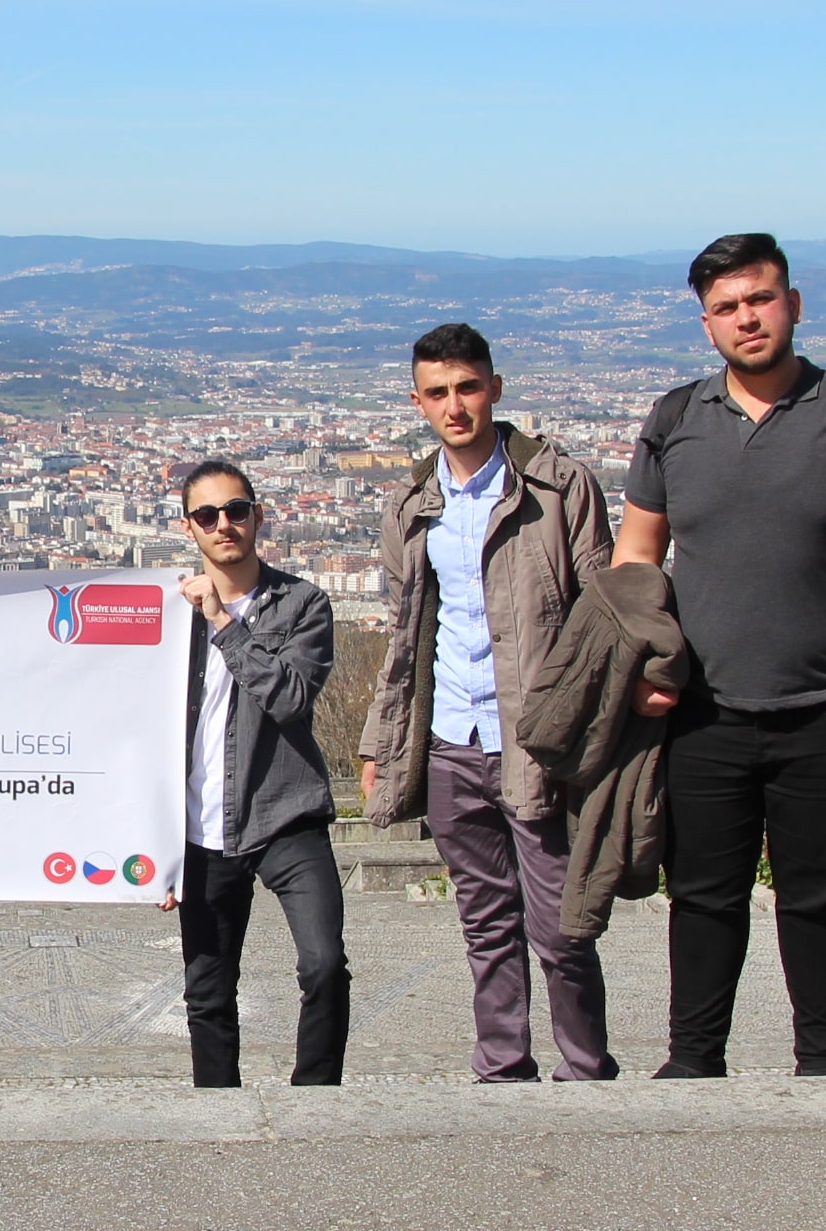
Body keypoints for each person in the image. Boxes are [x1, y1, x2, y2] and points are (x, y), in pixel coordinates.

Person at [616, 235, 826, 1077]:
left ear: (792, 303)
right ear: (706, 324)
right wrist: (643, 668)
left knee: (821, 897)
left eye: (759, 299)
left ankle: (823, 1064)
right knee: (702, 897)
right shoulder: (675, 421)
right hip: (704, 710)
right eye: (726, 307)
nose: (746, 318)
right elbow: (636, 558)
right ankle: (694, 1065)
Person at [358, 324, 652, 1081]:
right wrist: (379, 742)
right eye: (438, 393)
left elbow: (603, 611)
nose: (455, 406)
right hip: (451, 739)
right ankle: (502, 1068)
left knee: (562, 924)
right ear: (417, 402)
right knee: (484, 923)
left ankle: (585, 1068)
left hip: (538, 739)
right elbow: (404, 635)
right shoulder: (411, 504)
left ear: (494, 387)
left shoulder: (558, 487)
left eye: (467, 387)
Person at [167, 460, 350, 1086]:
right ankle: (219, 1110)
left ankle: (315, 1098)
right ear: (188, 527)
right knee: (207, 988)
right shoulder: (167, 615)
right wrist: (149, 845)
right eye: (207, 515)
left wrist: (222, 622)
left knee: (324, 963)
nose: (224, 524)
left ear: (258, 516)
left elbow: (291, 698)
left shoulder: (302, 604)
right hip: (198, 828)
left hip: (285, 810)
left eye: (236, 510)